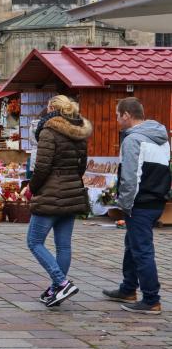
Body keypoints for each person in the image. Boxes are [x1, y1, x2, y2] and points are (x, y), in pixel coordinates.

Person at [102, 97, 170, 315]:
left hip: (139, 203)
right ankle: (128, 288)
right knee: (133, 245)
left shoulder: (133, 140)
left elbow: (130, 177)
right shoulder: (161, 138)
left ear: (126, 115)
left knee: (142, 251)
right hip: (156, 200)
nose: (117, 119)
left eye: (117, 115)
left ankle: (151, 299)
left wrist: (124, 204)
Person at [24, 96, 92, 307]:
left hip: (51, 194)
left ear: (52, 108)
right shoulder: (79, 133)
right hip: (72, 193)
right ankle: (56, 289)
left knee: (34, 241)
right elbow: (81, 166)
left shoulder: (49, 131)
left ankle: (62, 282)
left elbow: (42, 167)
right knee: (63, 246)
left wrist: (31, 187)